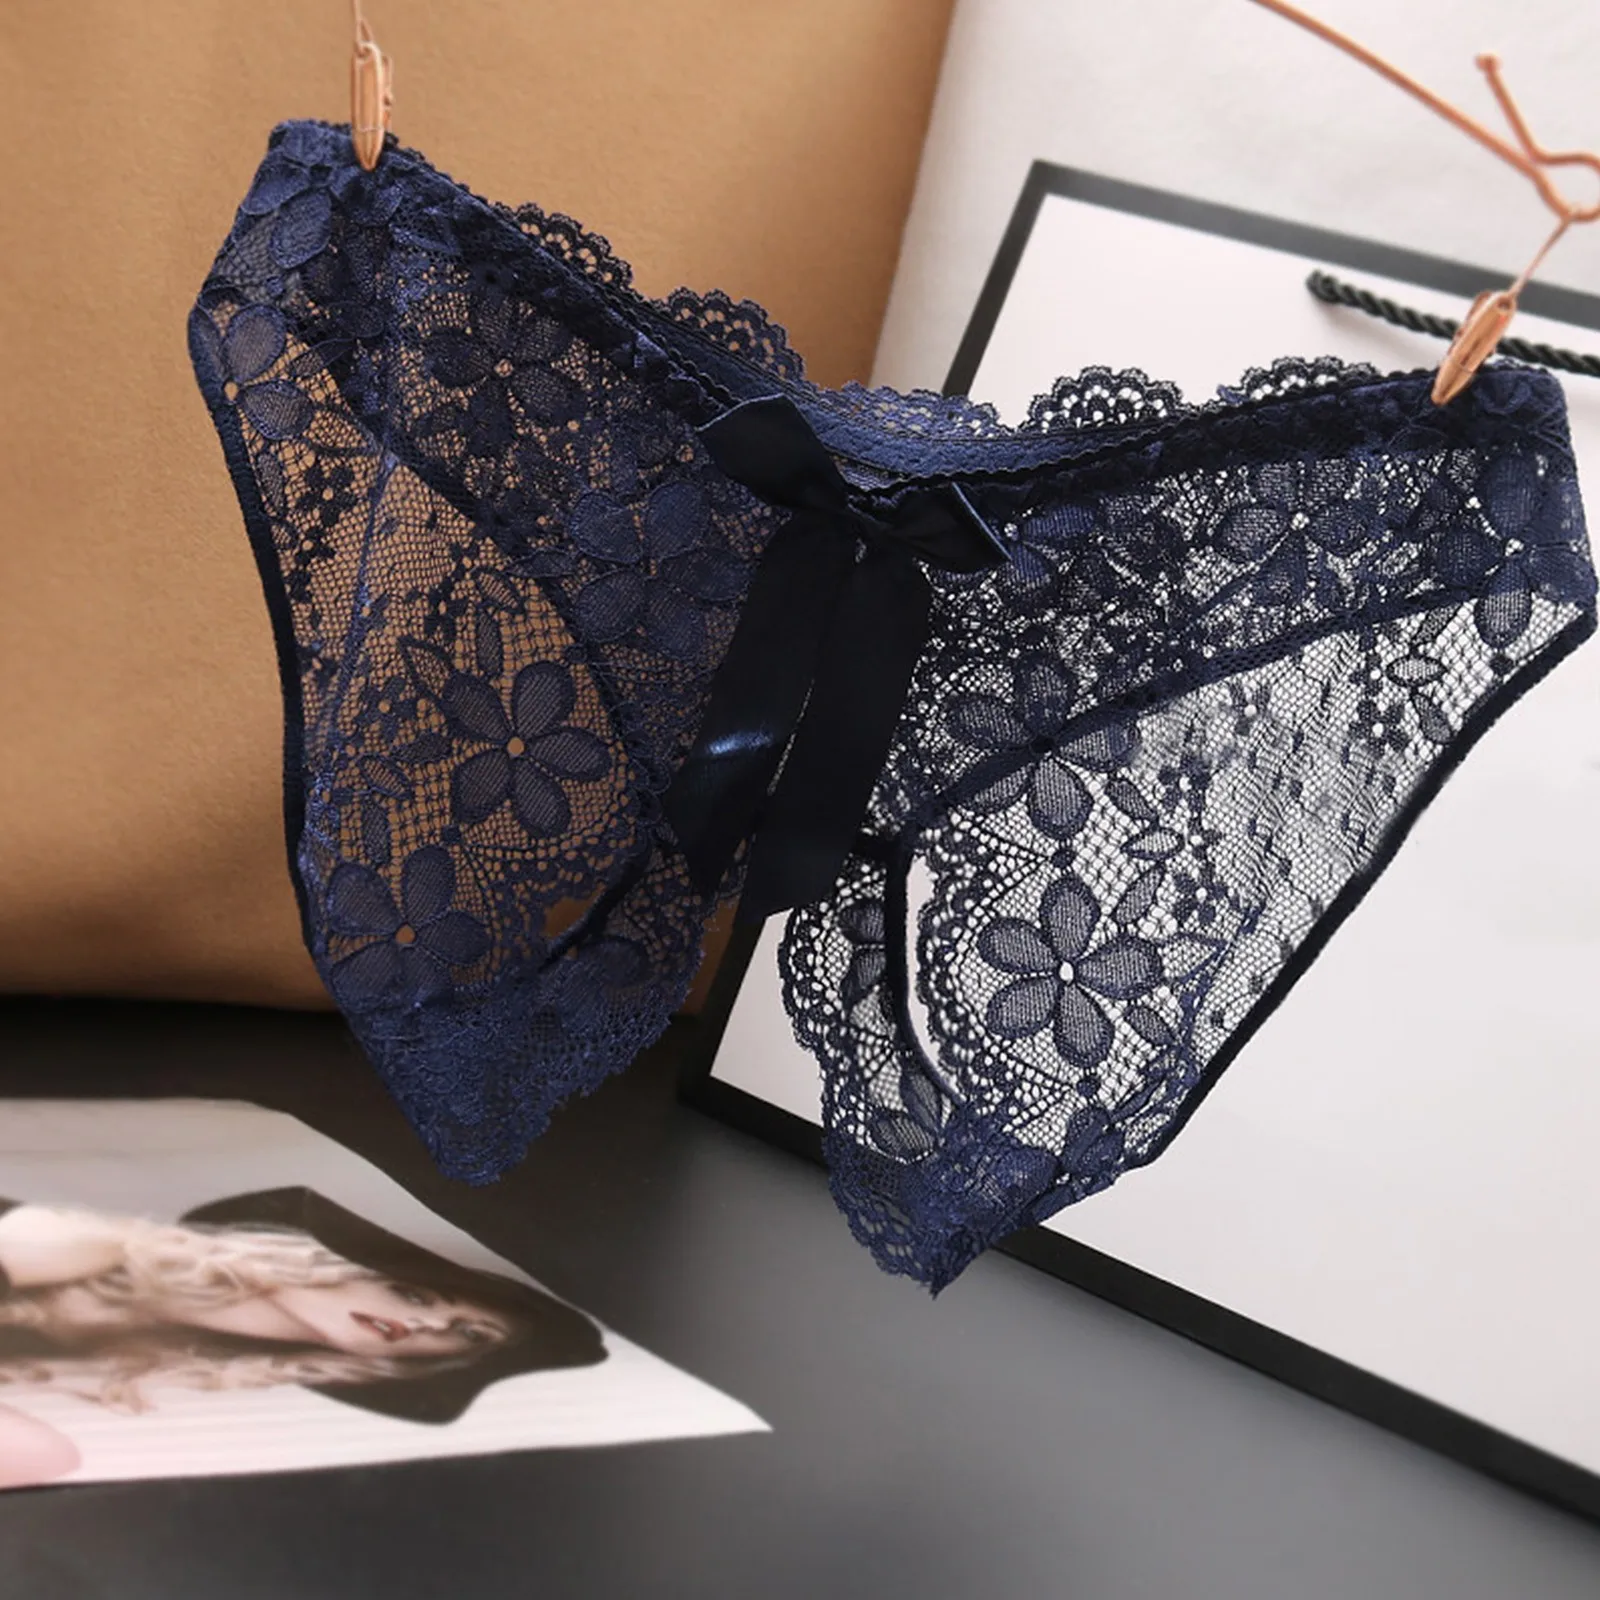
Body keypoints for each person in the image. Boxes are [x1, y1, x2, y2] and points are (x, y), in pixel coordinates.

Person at [0, 1186, 605, 1488]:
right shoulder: (81, 1245)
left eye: (467, 1335)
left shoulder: (161, 1364)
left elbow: (47, 1457)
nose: (428, 1324)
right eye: (415, 1296)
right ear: (347, 1268)